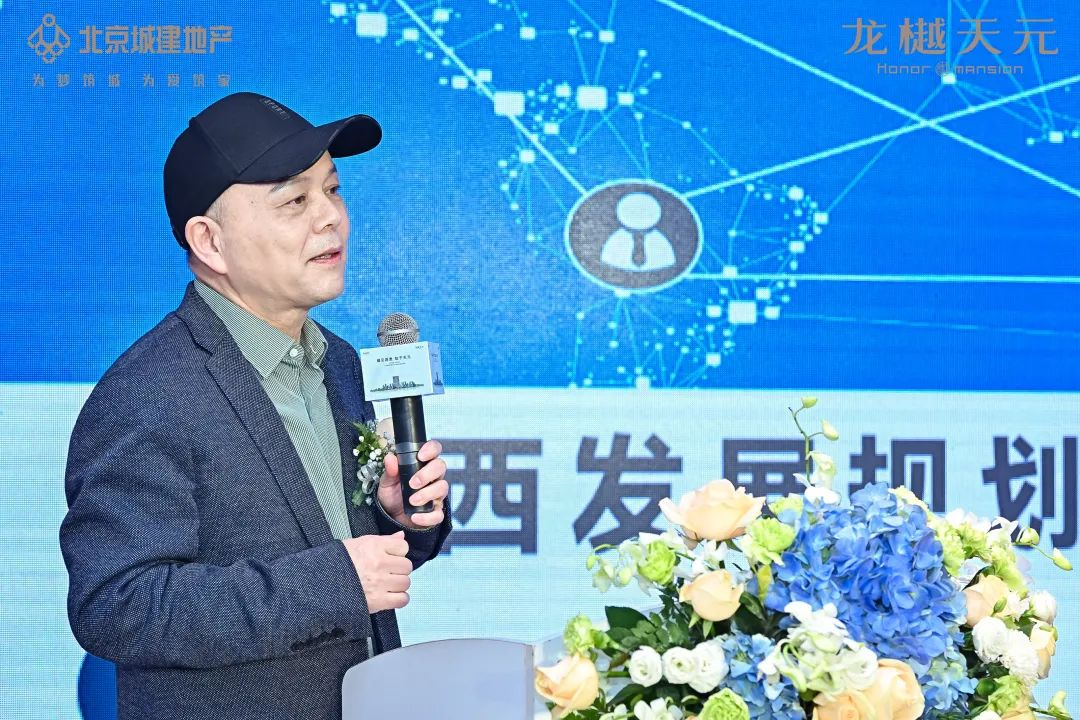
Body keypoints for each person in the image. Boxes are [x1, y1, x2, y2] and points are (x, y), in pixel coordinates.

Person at [59, 92, 452, 720]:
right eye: (294, 201)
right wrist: (329, 583)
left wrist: (396, 516)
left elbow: (355, 558)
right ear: (210, 242)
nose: (331, 218)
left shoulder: (340, 363)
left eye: (333, 190)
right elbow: (116, 606)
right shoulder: (147, 392)